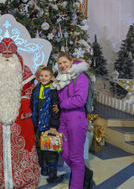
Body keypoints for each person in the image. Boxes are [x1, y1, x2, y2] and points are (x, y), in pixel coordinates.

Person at [0, 38, 40, 189]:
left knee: (23, 147)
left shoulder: (24, 72)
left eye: (9, 53)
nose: (6, 56)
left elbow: (29, 89)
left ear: (16, 55)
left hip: (19, 116)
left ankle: (21, 180)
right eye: (4, 53)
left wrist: (25, 104)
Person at [52, 52, 93, 189]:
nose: (62, 65)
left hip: (77, 118)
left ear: (71, 62)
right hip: (64, 118)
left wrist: (62, 105)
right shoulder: (61, 78)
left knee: (76, 157)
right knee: (62, 150)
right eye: (60, 63)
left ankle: (76, 185)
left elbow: (80, 99)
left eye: (65, 62)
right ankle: (83, 172)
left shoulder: (80, 77)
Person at [31, 66, 63, 184]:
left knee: (50, 148)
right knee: (39, 146)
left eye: (46, 76)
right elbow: (33, 107)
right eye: (42, 76)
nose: (43, 78)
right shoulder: (36, 89)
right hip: (38, 124)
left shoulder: (54, 91)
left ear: (51, 77)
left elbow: (55, 111)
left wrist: (53, 126)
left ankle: (52, 172)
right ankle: (43, 168)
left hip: (49, 125)